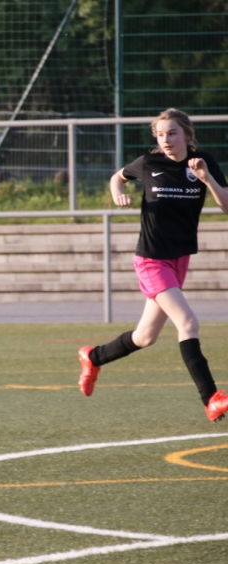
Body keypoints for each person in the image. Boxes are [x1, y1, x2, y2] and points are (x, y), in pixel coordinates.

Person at [78, 108, 228, 422]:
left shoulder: (203, 162)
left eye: (172, 133)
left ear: (186, 134)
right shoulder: (149, 163)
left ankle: (93, 356)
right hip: (151, 258)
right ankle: (211, 398)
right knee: (187, 322)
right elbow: (117, 178)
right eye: (160, 135)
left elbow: (226, 205)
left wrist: (207, 179)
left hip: (180, 258)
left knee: (145, 336)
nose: (166, 140)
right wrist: (117, 193)